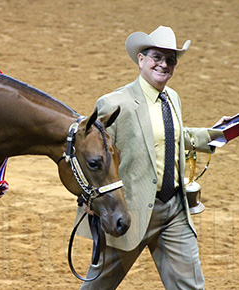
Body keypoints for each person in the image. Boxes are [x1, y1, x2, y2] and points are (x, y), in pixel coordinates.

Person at [75, 26, 221, 290]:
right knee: (98, 287)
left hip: (173, 209)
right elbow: (90, 154)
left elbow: (171, 136)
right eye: (157, 57)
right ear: (141, 59)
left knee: (190, 287)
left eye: (170, 60)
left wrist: (211, 135)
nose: (164, 64)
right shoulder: (113, 103)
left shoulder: (172, 98)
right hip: (130, 212)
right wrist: (87, 198)